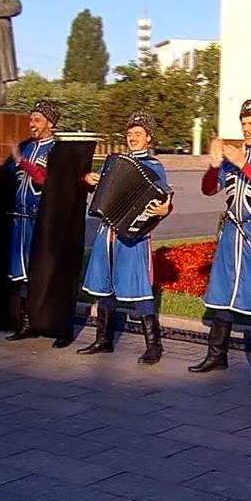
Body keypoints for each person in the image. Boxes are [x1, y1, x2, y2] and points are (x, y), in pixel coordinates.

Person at [188, 99, 251, 386]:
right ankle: (216, 355)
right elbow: (209, 189)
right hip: (232, 234)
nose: (246, 129)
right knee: (224, 294)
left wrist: (243, 164)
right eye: (243, 124)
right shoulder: (232, 158)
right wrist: (213, 166)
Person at [78, 112, 174, 364]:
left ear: (148, 138)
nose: (132, 138)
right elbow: (96, 187)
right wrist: (88, 179)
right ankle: (103, 339)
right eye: (130, 134)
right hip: (107, 231)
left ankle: (154, 345)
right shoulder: (114, 162)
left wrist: (164, 208)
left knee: (139, 287)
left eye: (138, 134)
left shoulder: (154, 166)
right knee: (104, 285)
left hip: (133, 235)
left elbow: (165, 198)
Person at [4, 99, 57, 341]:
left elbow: (43, 178)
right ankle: (24, 323)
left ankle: (43, 321)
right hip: (19, 219)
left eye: (37, 119)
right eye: (31, 119)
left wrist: (20, 161)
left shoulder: (54, 150)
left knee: (39, 271)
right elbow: (12, 175)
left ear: (50, 123)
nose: (32, 124)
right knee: (20, 272)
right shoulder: (26, 148)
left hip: (40, 222)